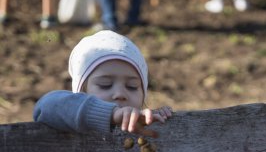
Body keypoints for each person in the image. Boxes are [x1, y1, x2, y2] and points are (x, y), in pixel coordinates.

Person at [33, 30, 172, 138]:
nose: (120, 93)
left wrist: (158, 118)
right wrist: (109, 114)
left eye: (132, 86)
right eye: (105, 84)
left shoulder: (138, 128)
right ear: (81, 91)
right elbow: (45, 106)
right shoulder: (71, 118)